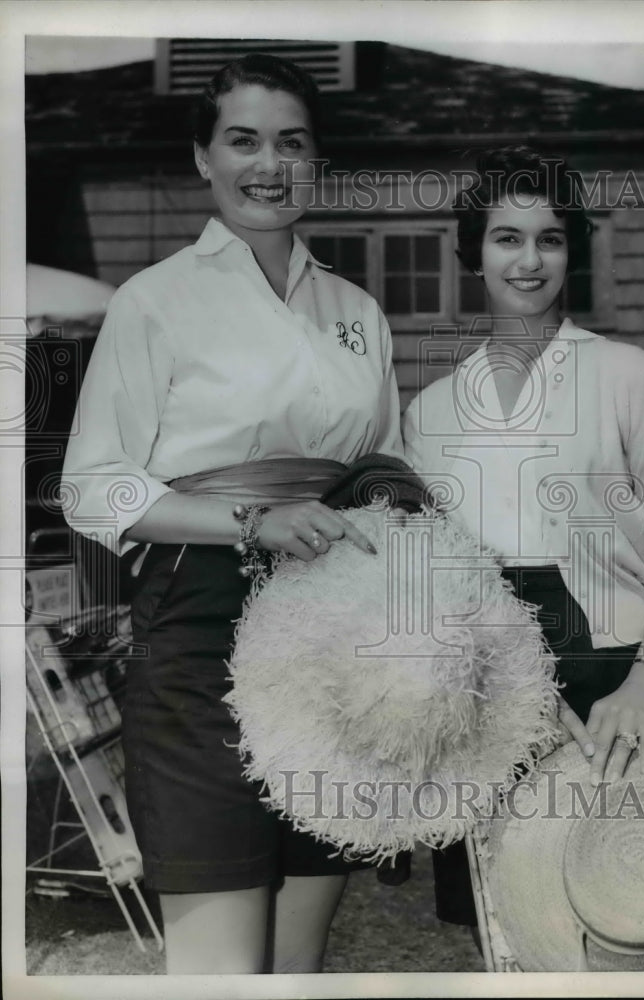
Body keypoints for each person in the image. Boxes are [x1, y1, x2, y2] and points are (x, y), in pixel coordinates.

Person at [61, 52, 404, 974]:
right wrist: (252, 524)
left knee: (295, 966)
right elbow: (94, 485)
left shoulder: (356, 310)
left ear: (317, 162)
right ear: (202, 160)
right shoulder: (156, 302)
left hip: (328, 632)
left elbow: (383, 472)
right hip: (199, 621)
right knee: (218, 972)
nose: (270, 162)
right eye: (243, 140)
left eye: (292, 141)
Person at [402, 145, 644, 930]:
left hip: (610, 690)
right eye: (507, 237)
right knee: (502, 929)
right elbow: (428, 580)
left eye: (549, 238)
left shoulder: (630, 377)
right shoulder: (432, 411)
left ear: (573, 249)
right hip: (479, 701)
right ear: (472, 254)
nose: (529, 259)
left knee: (623, 916)